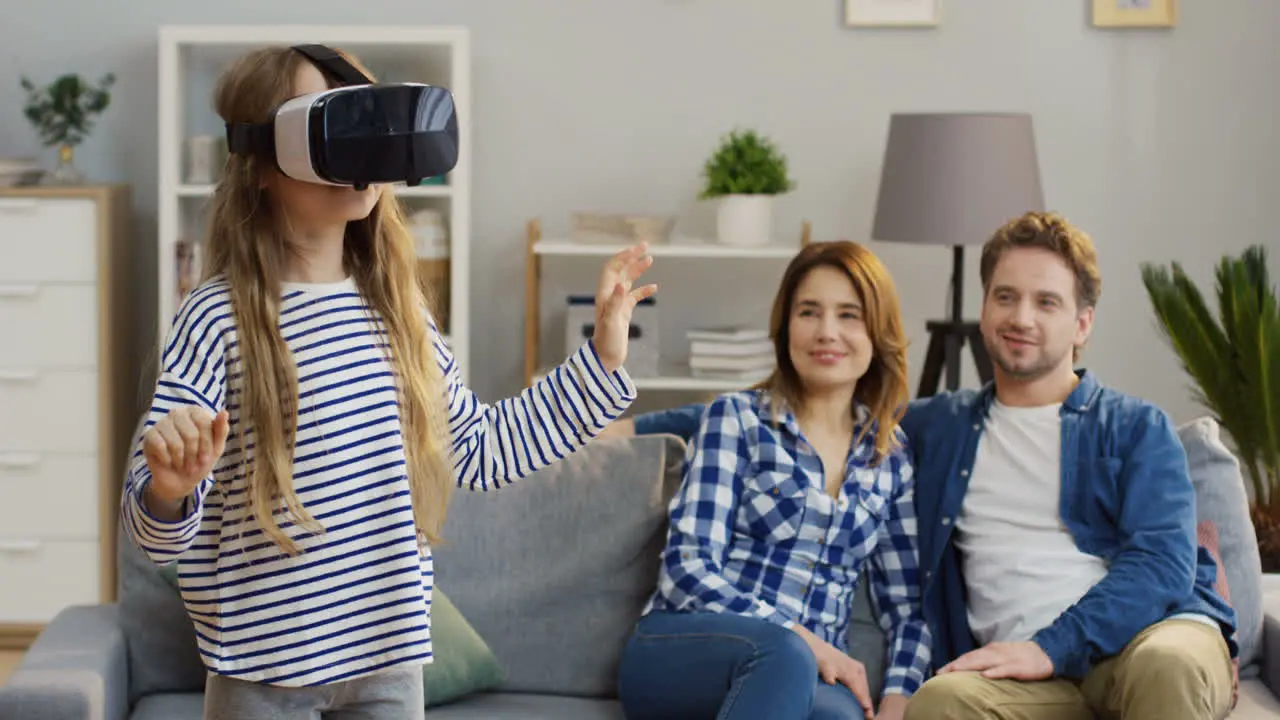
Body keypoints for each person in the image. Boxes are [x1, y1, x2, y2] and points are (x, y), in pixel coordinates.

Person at [119, 46, 655, 720]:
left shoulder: (398, 316)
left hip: (387, 663)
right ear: (260, 165)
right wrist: (169, 488)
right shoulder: (215, 319)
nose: (367, 155)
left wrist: (601, 361)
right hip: (262, 670)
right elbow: (155, 533)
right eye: (339, 130)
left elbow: (482, 450)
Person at [620, 211, 1239, 719]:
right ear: (984, 310)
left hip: (1142, 643)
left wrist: (1047, 648)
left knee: (1168, 665)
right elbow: (777, 411)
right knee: (939, 704)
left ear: (1082, 323)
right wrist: (622, 427)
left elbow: (1161, 563)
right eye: (1006, 296)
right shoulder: (935, 429)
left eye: (1046, 302)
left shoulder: (1135, 428)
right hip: (1017, 680)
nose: (1021, 317)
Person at [616, 240, 931, 720]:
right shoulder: (736, 420)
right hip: (685, 648)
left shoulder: (890, 458)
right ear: (785, 327)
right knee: (784, 655)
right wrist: (801, 639)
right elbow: (688, 571)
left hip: (808, 676)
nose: (827, 331)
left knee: (838, 717)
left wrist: (897, 701)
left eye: (849, 315)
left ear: (877, 331)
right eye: (809, 312)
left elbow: (907, 610)